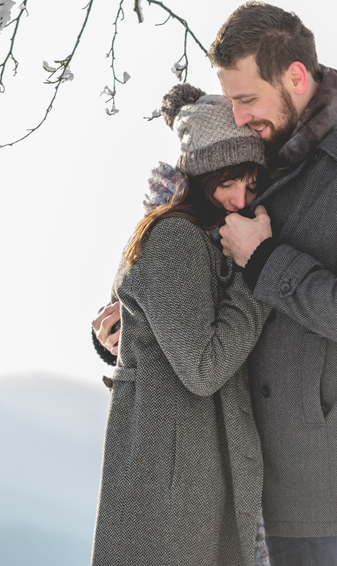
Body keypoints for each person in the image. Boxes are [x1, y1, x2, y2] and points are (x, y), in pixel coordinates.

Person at [94, 2, 337, 566]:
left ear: (295, 77)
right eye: (230, 103)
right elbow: (182, 262)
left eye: (247, 99)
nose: (240, 115)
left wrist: (267, 261)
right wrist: (135, 330)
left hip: (336, 503)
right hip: (234, 495)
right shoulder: (250, 160)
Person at [90, 83, 272, 566]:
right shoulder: (177, 238)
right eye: (227, 182)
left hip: (181, 467)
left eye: (251, 184)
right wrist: (260, 271)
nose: (239, 198)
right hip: (172, 484)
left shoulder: (198, 235)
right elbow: (203, 368)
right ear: (199, 174)